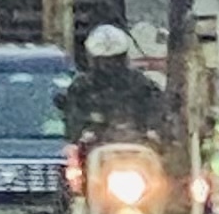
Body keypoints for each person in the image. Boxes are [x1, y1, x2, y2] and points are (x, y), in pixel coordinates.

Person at [62, 21, 167, 156]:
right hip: (94, 150)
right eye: (103, 60)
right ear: (92, 59)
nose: (109, 65)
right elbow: (72, 114)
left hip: (135, 148)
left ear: (123, 57)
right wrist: (79, 134)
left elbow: (156, 106)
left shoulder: (140, 83)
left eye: (114, 59)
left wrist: (153, 129)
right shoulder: (81, 87)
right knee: (73, 168)